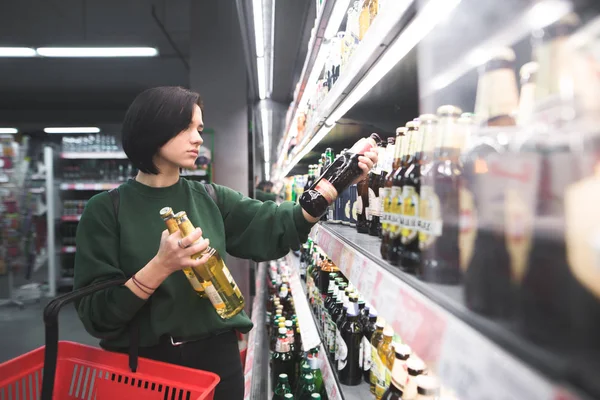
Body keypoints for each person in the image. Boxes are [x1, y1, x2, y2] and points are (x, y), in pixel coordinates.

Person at [73, 86, 377, 400]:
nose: (198, 138)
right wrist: (159, 267)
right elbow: (98, 316)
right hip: (145, 368)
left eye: (199, 129)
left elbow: (276, 225)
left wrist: (338, 178)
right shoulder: (107, 210)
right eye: (186, 128)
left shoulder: (211, 198)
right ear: (151, 128)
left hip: (217, 362)